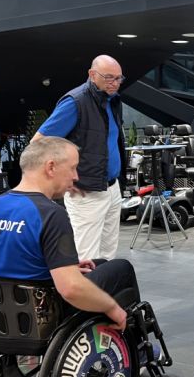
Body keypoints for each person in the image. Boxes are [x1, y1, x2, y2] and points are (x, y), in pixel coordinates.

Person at [0, 137, 138, 330]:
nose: (76, 176)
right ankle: (135, 342)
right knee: (122, 268)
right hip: (45, 310)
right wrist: (113, 308)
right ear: (51, 168)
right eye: (73, 168)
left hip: (4, 310)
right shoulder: (51, 214)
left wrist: (65, 265)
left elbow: (11, 252)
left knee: (99, 264)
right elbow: (70, 289)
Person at [33, 55, 126, 260]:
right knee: (86, 256)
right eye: (109, 77)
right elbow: (38, 143)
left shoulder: (112, 101)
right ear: (92, 75)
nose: (115, 83)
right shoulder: (76, 102)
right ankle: (83, 291)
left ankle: (101, 290)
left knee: (108, 253)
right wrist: (60, 179)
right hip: (86, 191)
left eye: (119, 78)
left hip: (111, 187)